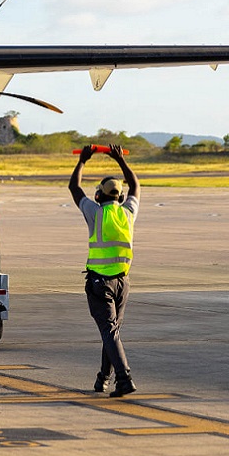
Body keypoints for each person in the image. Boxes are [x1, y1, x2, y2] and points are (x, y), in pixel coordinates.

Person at [69, 144, 140, 398]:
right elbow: (135, 186)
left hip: (100, 284)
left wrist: (83, 161)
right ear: (120, 197)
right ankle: (104, 379)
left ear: (98, 196)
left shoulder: (95, 213)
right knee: (112, 332)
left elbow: (74, 188)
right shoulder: (128, 213)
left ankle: (124, 378)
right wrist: (120, 160)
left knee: (109, 332)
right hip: (123, 283)